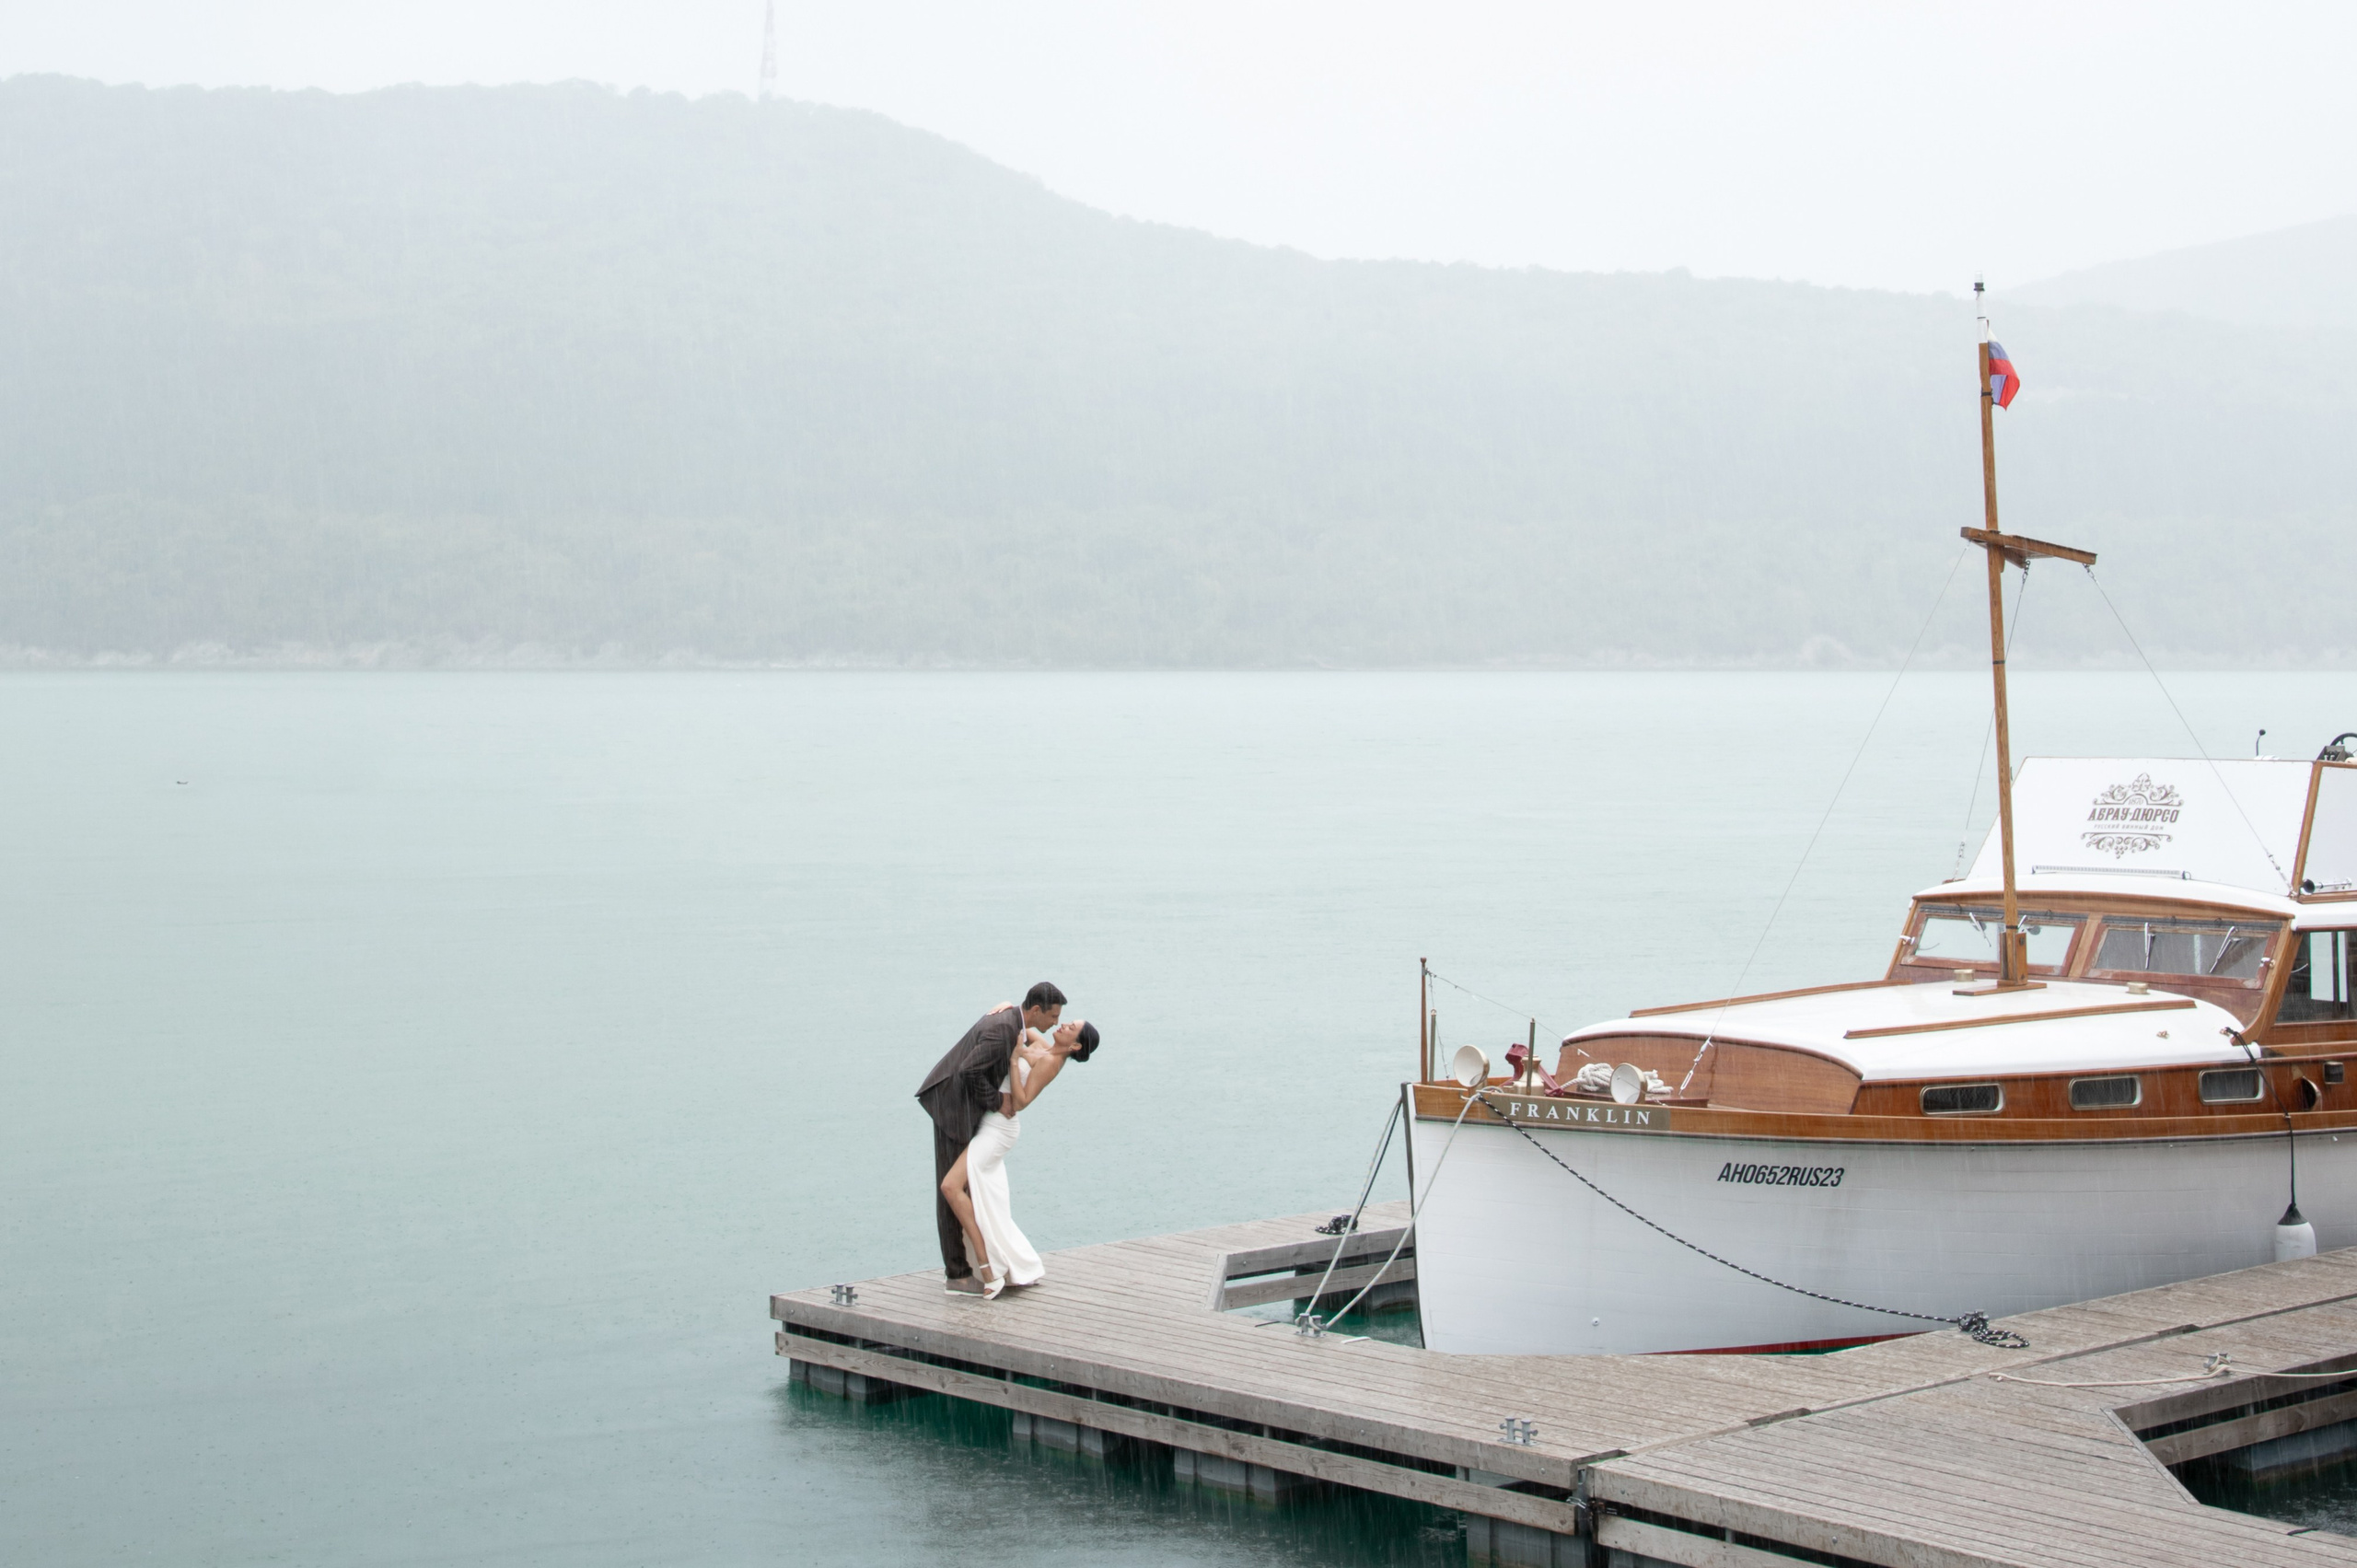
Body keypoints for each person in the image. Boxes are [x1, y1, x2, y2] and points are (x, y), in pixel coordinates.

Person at [916, 983, 1062, 1294]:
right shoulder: (1003, 1030)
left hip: (971, 1112)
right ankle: (956, 1274)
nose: (1055, 1023)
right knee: (950, 1188)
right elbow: (969, 1071)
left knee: (963, 1187)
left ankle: (980, 1264)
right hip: (953, 1109)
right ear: (1035, 1010)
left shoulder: (1013, 1023)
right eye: (1053, 1016)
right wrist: (997, 1102)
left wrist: (1008, 1003)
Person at [943, 1016, 1097, 1295]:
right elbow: (1024, 1025)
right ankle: (1007, 1264)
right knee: (983, 1200)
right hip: (990, 1124)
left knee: (951, 1187)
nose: (1062, 1025)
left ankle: (988, 1271)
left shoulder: (1051, 1063)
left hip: (999, 1130)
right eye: (1066, 1022)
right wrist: (1002, 1007)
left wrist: (1014, 1061)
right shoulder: (1044, 1047)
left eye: (1070, 1028)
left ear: (1075, 1045)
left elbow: (1022, 1101)